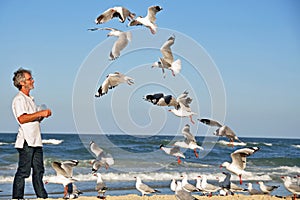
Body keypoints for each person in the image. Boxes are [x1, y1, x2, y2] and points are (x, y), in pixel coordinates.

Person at [11, 68, 52, 199]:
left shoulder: (30, 99)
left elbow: (31, 119)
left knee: (39, 171)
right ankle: (17, 198)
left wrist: (41, 116)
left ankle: (42, 197)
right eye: (30, 79)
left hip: (36, 140)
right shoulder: (19, 99)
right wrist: (40, 113)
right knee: (23, 172)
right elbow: (22, 118)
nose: (33, 80)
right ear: (22, 83)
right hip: (26, 141)